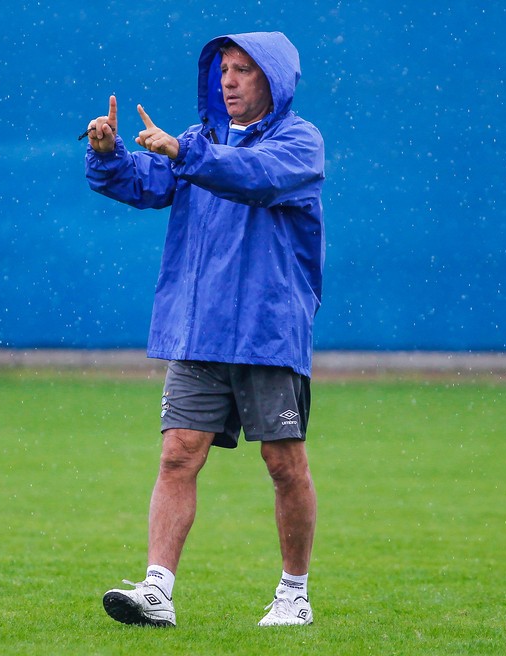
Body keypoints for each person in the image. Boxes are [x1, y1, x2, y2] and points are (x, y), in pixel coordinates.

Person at [83, 32, 325, 628]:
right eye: (224, 70)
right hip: (198, 329)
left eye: (245, 70)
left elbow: (255, 178)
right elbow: (149, 183)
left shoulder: (299, 142)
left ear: (275, 79)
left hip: (267, 331)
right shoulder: (197, 143)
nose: (230, 81)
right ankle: (157, 591)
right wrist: (110, 154)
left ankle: (294, 593)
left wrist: (181, 153)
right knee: (176, 457)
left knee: (283, 463)